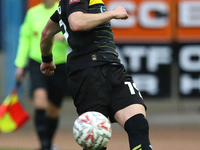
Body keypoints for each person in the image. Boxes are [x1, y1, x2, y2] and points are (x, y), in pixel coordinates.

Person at [40, 0, 152, 150]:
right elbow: (76, 23)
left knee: (138, 124)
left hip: (113, 69)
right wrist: (112, 13)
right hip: (88, 73)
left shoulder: (63, 8)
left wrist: (47, 60)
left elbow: (46, 33)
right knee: (95, 141)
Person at [14, 0, 70, 150]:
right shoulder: (32, 13)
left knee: (53, 110)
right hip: (37, 63)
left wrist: (64, 38)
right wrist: (20, 64)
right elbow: (25, 38)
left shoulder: (64, 10)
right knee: (40, 102)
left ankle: (49, 143)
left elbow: (77, 34)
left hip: (59, 65)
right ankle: (44, 145)